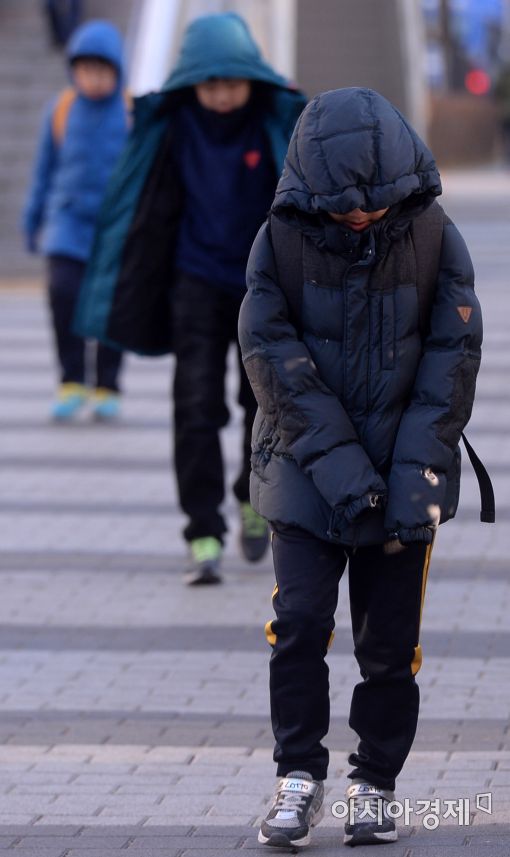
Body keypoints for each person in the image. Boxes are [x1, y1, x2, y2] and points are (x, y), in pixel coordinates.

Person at [238, 87, 485, 848]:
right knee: (300, 623)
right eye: (343, 204)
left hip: (403, 472)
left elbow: (451, 362)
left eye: (372, 203)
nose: (359, 215)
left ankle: (375, 781)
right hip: (307, 470)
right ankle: (298, 775)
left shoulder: (437, 236)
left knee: (390, 642)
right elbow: (273, 363)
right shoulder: (278, 241)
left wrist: (416, 475)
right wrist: (347, 471)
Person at [74, 13, 306, 585]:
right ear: (191, 83)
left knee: (264, 407)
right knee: (196, 405)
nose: (222, 95)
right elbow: (135, 202)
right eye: (210, 84)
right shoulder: (171, 124)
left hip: (263, 287)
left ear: (251, 78)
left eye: (232, 82)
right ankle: (202, 528)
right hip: (193, 282)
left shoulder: (276, 122)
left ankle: (254, 499)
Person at [22, 19, 129, 422]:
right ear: (74, 70)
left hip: (113, 230)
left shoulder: (131, 111)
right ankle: (71, 378)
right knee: (62, 293)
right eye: (85, 70)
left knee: (111, 309)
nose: (94, 79)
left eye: (102, 70)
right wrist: (34, 220)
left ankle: (107, 383)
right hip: (66, 225)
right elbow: (43, 171)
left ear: (117, 70)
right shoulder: (62, 109)